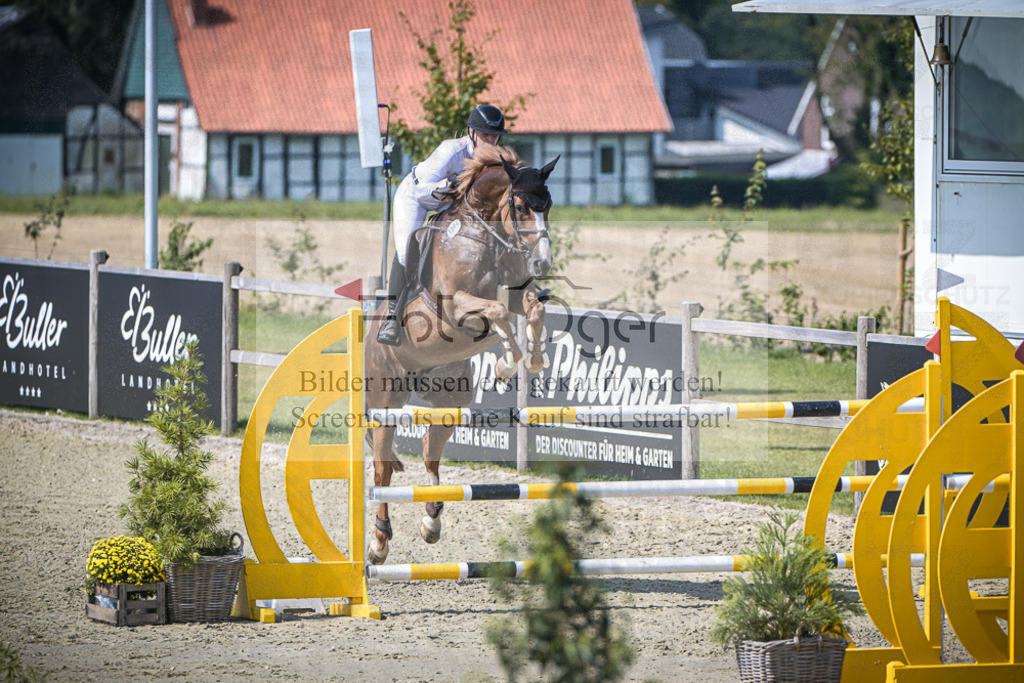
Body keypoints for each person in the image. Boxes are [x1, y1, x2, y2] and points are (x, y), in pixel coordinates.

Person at [376, 104, 509, 347]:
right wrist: (446, 185)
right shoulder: (451, 150)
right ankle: (392, 318)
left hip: (448, 201)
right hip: (416, 197)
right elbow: (420, 189)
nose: (491, 140)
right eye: (485, 135)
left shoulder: (493, 159)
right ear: (471, 132)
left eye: (495, 135)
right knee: (406, 251)